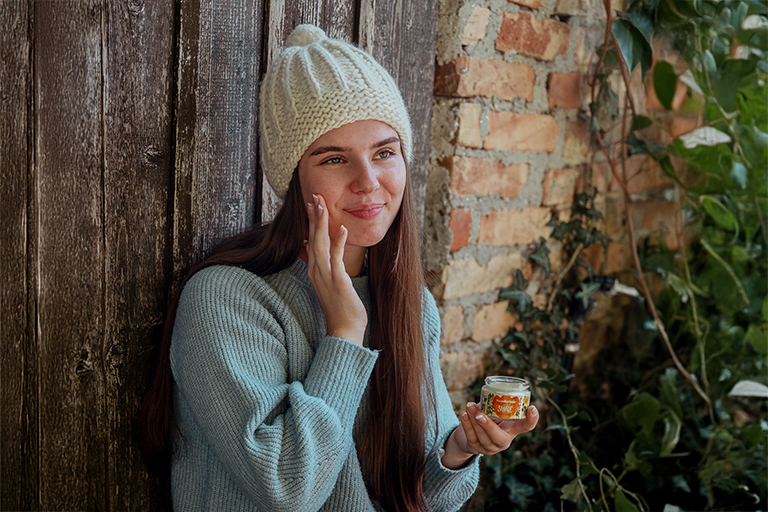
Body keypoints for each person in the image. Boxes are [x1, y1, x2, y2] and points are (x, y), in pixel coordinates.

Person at [139, 24, 539, 512]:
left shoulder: (412, 307)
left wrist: (458, 450)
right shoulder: (227, 300)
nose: (369, 182)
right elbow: (288, 489)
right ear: (295, 178)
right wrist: (345, 331)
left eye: (384, 153)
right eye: (334, 159)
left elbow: (422, 498)